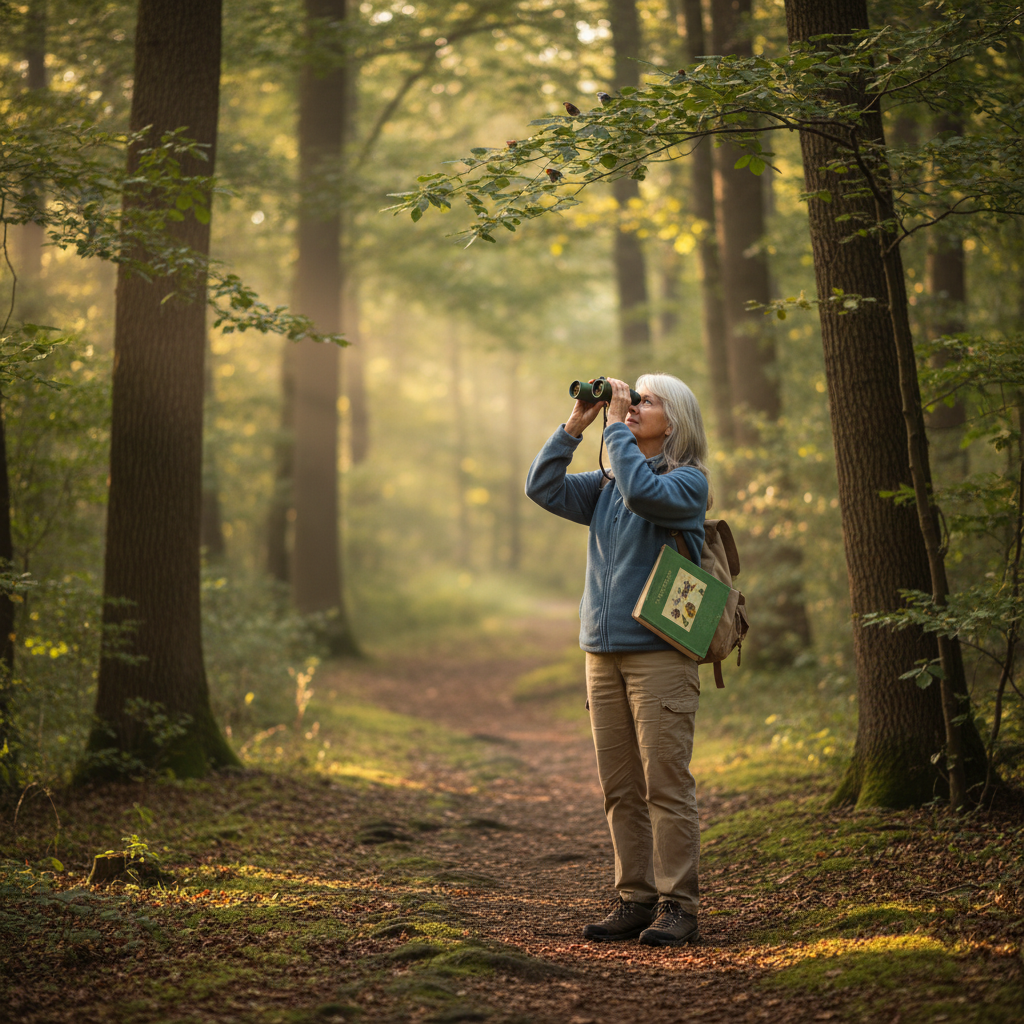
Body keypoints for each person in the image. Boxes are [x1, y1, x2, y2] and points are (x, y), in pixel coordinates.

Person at [525, 374, 712, 947]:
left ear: (673, 421)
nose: (631, 408)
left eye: (644, 402)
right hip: (601, 654)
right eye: (631, 401)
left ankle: (680, 906)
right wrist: (576, 425)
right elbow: (542, 488)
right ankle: (635, 898)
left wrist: (614, 431)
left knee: (666, 785)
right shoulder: (607, 484)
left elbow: (641, 493)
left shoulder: (686, 483)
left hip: (659, 652)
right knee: (620, 787)